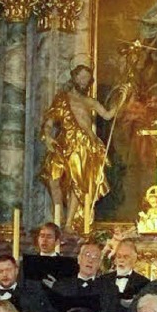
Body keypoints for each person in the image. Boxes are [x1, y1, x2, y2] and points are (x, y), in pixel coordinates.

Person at [39, 63, 117, 230]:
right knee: (53, 178)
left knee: (78, 182)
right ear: (74, 78)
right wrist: (46, 137)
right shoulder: (62, 98)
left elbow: (108, 115)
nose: (84, 81)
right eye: (81, 77)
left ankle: (68, 223)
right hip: (64, 142)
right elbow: (49, 122)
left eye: (87, 79)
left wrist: (122, 99)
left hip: (84, 144)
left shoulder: (90, 101)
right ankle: (58, 217)